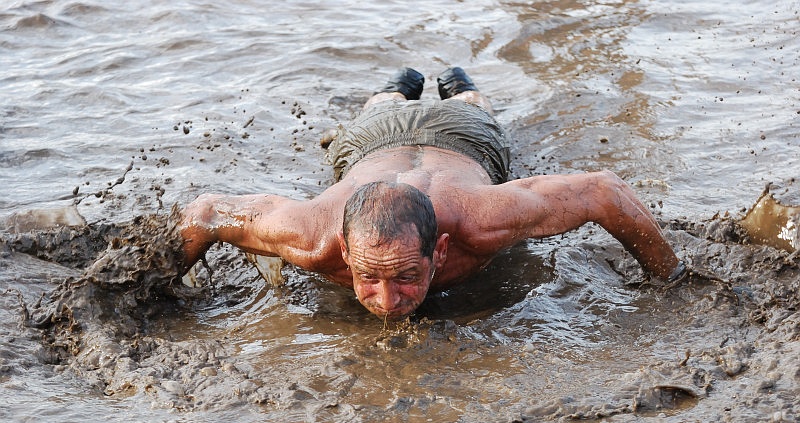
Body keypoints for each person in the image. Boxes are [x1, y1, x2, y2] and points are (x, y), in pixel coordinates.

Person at [180, 67, 685, 320]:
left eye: (406, 276)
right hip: (373, 139)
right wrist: (154, 284)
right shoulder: (311, 237)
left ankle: (458, 86)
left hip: (459, 136)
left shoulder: (483, 220)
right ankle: (397, 87)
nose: (386, 300)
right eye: (368, 277)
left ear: (440, 250)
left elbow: (602, 191)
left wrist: (671, 279)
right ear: (345, 251)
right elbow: (204, 212)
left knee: (475, 110)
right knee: (378, 108)